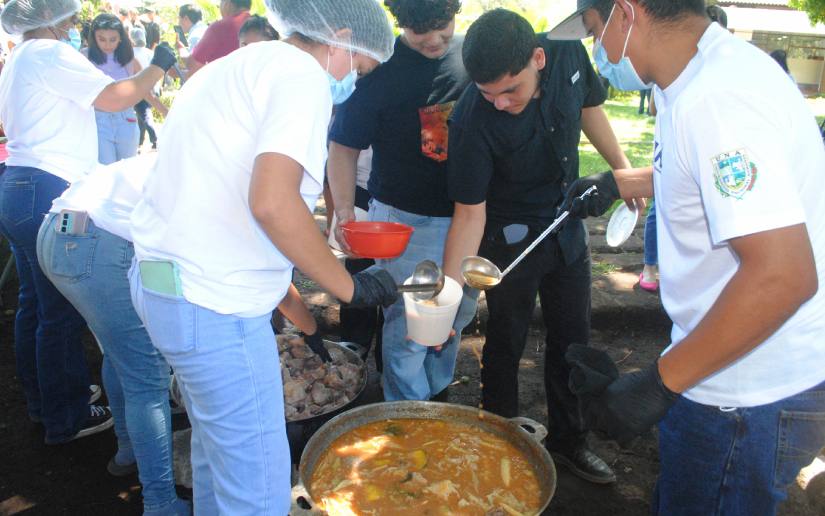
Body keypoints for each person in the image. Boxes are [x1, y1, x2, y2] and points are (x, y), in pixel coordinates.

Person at [550, 1, 825, 513]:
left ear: (626, 15)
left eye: (593, 33)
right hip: (726, 363)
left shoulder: (717, 99)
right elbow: (710, 175)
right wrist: (620, 181)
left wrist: (656, 385)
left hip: (744, 391)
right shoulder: (703, 75)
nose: (597, 52)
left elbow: (784, 275)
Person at [128, 0, 396, 512]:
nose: (353, 80)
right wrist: (349, 286)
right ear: (338, 36)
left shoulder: (235, 65)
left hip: (167, 286)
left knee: (216, 456)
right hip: (213, 306)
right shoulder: (301, 74)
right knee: (258, 493)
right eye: (356, 65)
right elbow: (272, 202)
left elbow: (237, 197)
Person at [442, 8, 638, 485]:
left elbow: (590, 106)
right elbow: (469, 214)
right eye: (489, 94)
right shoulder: (471, 117)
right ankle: (499, 440)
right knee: (505, 341)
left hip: (567, 223)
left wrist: (624, 172)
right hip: (509, 242)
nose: (501, 103)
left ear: (538, 58)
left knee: (573, 339)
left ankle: (570, 442)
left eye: (511, 90)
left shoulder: (568, 49)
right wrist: (447, 298)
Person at [0, 0, 176, 445]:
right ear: (51, 19)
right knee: (60, 311)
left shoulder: (19, 56)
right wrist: (157, 66)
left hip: (20, 185)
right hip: (49, 189)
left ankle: (46, 401)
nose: (74, 22)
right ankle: (68, 414)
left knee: (35, 305)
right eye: (68, 16)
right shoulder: (47, 52)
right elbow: (114, 97)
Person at [328, 0, 478, 402]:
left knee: (454, 318)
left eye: (442, 26)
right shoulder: (381, 70)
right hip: (405, 224)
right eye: (419, 30)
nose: (433, 39)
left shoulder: (471, 54)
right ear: (401, 23)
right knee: (410, 329)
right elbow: (342, 145)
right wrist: (344, 208)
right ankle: (405, 416)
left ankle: (433, 397)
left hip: (470, 218)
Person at [37, 155, 190, 515]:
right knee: (148, 380)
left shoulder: (172, 152)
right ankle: (160, 503)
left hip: (58, 232)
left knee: (118, 353)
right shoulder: (213, 169)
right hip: (96, 245)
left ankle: (128, 450)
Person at [84, 13, 142, 164]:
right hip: (97, 119)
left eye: (113, 39)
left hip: (126, 118)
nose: (107, 45)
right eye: (101, 39)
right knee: (105, 174)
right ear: (93, 37)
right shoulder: (84, 57)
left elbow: (144, 88)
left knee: (128, 172)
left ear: (121, 38)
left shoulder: (130, 59)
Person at [185, 0, 250, 77]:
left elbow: (193, 64)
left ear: (227, 3)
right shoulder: (262, 26)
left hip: (225, 85)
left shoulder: (220, 27)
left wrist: (182, 51)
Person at [130, 26, 168, 150]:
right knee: (142, 115)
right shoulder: (150, 52)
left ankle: (155, 138)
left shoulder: (130, 54)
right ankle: (140, 141)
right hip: (153, 87)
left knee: (144, 114)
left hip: (139, 89)